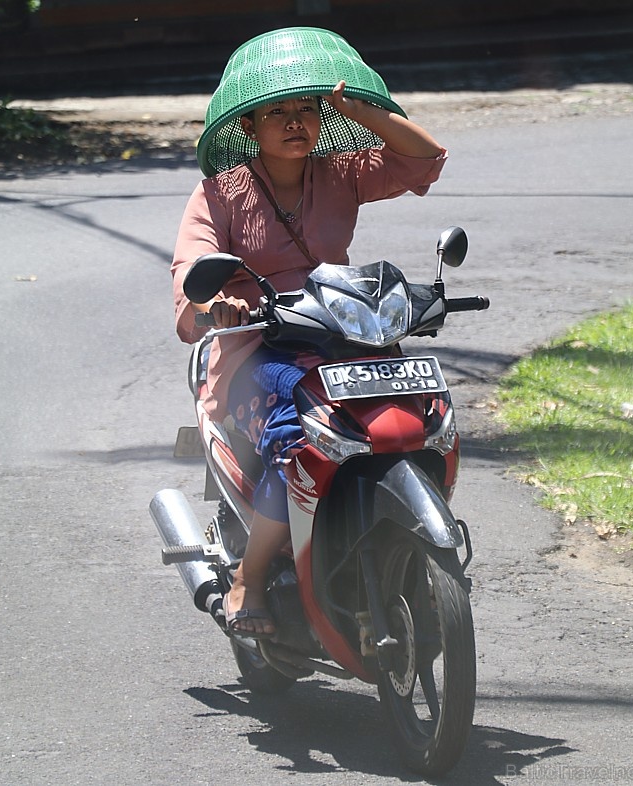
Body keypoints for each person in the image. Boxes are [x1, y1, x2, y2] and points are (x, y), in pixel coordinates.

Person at [171, 28, 446, 638]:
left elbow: (424, 161)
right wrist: (219, 304)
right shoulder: (218, 194)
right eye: (276, 112)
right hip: (259, 349)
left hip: (341, 334)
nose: (295, 122)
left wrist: (360, 111)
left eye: (305, 109)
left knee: (416, 411)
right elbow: (191, 276)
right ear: (248, 126)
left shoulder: (340, 171)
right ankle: (250, 574)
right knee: (299, 432)